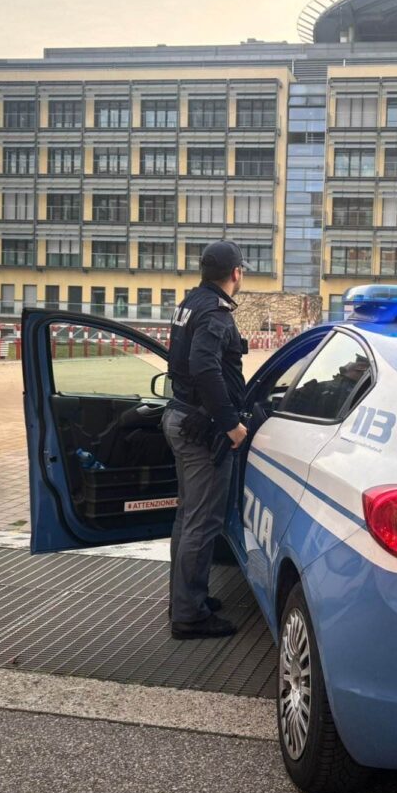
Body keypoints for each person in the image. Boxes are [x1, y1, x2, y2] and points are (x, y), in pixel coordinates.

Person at [162, 241, 250, 639]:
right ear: (236, 273)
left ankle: (186, 597)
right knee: (201, 522)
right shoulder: (216, 312)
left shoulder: (190, 303)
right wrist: (230, 423)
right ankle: (189, 616)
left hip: (180, 416)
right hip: (202, 428)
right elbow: (203, 366)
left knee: (187, 518)